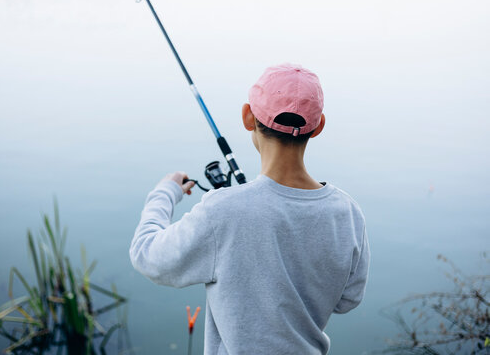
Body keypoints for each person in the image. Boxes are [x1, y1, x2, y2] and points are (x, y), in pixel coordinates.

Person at [130, 63, 370, 354]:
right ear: (318, 126)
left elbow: (147, 256)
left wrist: (164, 192)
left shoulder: (222, 212)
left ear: (247, 117)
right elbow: (348, 300)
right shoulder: (348, 213)